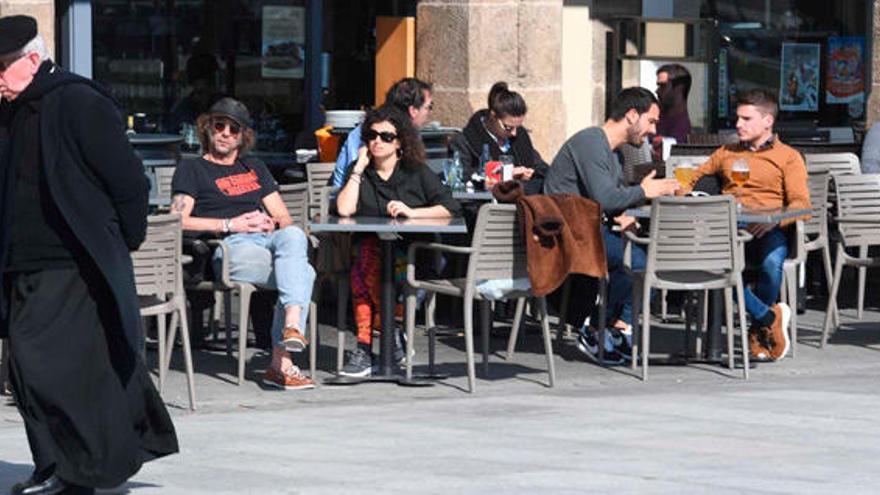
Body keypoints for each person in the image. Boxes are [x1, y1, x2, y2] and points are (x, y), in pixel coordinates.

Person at [0, 15, 178, 494]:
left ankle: (79, 472)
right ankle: (58, 465)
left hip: (71, 262)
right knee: (25, 369)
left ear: (32, 60)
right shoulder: (12, 110)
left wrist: (125, 240)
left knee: (49, 367)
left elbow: (129, 182)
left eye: (1, 68)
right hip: (22, 262)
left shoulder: (78, 101)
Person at [171, 97, 317, 389]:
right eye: (219, 125)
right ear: (207, 129)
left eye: (233, 129)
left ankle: (288, 336)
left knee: (294, 235)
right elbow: (177, 221)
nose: (225, 132)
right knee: (304, 274)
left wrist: (268, 221)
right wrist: (230, 224)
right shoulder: (192, 169)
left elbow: (284, 219)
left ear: (243, 137)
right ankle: (283, 360)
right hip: (230, 246)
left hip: (267, 240)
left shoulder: (254, 167)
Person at [543, 87, 680, 364]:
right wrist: (644, 192)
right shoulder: (591, 141)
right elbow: (605, 198)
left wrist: (623, 214)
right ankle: (598, 329)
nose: (653, 131)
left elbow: (608, 200)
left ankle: (610, 329)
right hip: (567, 233)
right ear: (632, 115)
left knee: (646, 263)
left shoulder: (614, 153)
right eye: (651, 121)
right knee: (639, 265)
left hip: (590, 230)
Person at [683, 89, 810, 362]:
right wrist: (682, 192)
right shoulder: (726, 152)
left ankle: (756, 329)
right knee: (713, 267)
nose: (738, 125)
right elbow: (693, 178)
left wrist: (773, 220)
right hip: (728, 228)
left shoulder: (788, 156)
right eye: (737, 118)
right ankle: (767, 318)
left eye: (746, 119)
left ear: (768, 121)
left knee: (771, 264)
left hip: (768, 228)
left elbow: (801, 204)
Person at [336, 105, 461, 376]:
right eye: (372, 135)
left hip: (414, 255)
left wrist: (412, 212)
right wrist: (358, 168)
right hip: (369, 254)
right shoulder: (360, 173)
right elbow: (344, 209)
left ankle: (365, 350)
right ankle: (389, 337)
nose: (377, 141)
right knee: (368, 259)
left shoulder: (416, 172)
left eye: (386, 136)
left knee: (367, 266)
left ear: (400, 141)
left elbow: (449, 208)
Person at [331, 77, 434, 187]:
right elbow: (358, 180)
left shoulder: (409, 133)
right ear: (413, 111)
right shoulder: (370, 132)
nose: (430, 113)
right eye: (429, 107)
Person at [450, 81, 548, 194]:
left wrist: (532, 173)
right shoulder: (465, 141)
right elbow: (460, 177)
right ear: (493, 117)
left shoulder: (520, 139)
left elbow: (542, 168)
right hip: (485, 206)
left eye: (518, 127)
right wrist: (504, 174)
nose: (514, 133)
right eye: (508, 127)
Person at [655, 64, 692, 143]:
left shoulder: (682, 127)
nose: (657, 91)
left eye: (663, 86)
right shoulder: (653, 117)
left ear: (679, 88)